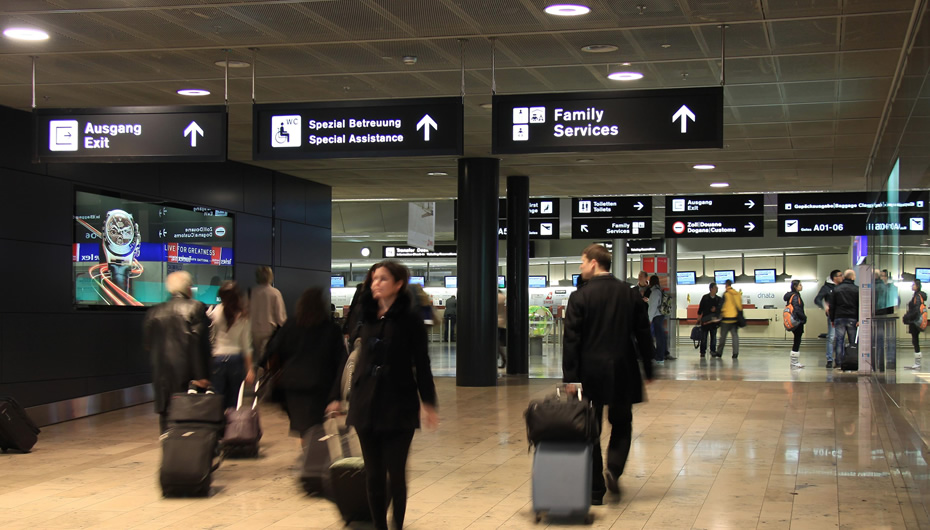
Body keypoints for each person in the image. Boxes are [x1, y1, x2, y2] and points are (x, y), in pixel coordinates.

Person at [342, 261, 438, 530]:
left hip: (398, 405)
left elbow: (422, 363)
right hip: (365, 403)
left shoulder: (410, 321)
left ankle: (397, 523)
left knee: (395, 473)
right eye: (373, 279)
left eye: (382, 279)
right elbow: (352, 358)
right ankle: (379, 526)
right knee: (373, 474)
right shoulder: (364, 314)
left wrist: (428, 402)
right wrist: (337, 396)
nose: (375, 283)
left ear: (398, 284)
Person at [563, 244, 654, 505]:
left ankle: (595, 490)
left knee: (590, 430)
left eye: (582, 261)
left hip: (590, 373)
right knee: (622, 422)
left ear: (593, 263)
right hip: (624, 369)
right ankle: (613, 468)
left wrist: (571, 378)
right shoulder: (630, 294)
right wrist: (648, 367)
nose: (580, 266)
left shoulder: (580, 297)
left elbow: (571, 341)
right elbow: (643, 333)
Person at [259, 287, 346, 438]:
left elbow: (272, 350)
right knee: (315, 427)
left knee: (304, 429)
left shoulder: (291, 325)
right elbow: (341, 361)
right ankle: (312, 456)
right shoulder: (331, 329)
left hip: (293, 386)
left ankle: (309, 455)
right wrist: (336, 395)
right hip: (320, 386)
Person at [143, 271, 212, 434]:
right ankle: (188, 453)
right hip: (188, 375)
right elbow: (198, 344)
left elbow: (148, 344)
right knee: (190, 418)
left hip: (162, 376)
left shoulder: (153, 312)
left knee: (166, 417)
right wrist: (202, 375)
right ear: (188, 288)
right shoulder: (196, 307)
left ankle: (170, 452)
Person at [209, 281, 254, 411]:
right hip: (236, 360)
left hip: (217, 359)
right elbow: (246, 345)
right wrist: (250, 369)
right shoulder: (243, 316)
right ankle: (231, 427)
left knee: (217, 400)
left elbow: (211, 339)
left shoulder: (214, 312)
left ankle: (218, 427)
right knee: (234, 400)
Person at [250, 266, 287, 364]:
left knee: (255, 360)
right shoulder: (275, 293)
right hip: (269, 331)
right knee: (266, 360)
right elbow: (281, 318)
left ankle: (255, 376)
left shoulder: (251, 292)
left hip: (252, 332)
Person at [829, 269, 859, 368]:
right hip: (852, 318)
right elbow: (859, 305)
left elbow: (832, 306)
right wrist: (859, 319)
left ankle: (839, 362)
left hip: (839, 318)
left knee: (839, 341)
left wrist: (832, 319)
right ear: (852, 277)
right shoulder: (857, 289)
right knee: (853, 342)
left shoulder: (836, 289)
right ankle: (853, 361)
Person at [814, 270, 842, 368]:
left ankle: (839, 359)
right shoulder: (826, 288)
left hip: (842, 315)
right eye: (840, 275)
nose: (842, 277)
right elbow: (817, 299)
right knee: (831, 337)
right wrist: (824, 307)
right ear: (834, 277)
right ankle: (830, 359)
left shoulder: (841, 287)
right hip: (833, 316)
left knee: (839, 338)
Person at [718, 279, 743, 359]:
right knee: (735, 337)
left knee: (723, 337)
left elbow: (721, 306)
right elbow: (740, 307)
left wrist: (718, 314)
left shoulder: (726, 294)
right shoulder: (737, 294)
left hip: (726, 319)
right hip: (735, 319)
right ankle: (735, 353)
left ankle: (719, 352)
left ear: (726, 285)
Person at [784, 280, 807, 368]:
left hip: (794, 320)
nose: (801, 286)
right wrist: (804, 318)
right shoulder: (795, 296)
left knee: (796, 340)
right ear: (795, 287)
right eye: (800, 285)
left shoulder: (791, 296)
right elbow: (797, 309)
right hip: (797, 321)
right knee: (797, 340)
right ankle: (794, 362)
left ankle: (794, 361)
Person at [905, 279, 926, 368]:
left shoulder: (917, 296)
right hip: (916, 321)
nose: (912, 286)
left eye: (913, 285)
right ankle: (917, 362)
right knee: (915, 340)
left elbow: (916, 310)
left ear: (917, 286)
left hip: (915, 322)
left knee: (915, 341)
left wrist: (907, 317)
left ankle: (917, 363)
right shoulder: (918, 295)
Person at [696, 282, 721, 358]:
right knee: (704, 337)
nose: (717, 289)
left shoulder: (718, 299)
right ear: (711, 289)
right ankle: (702, 351)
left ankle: (712, 351)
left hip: (714, 322)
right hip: (705, 321)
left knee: (713, 337)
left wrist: (716, 309)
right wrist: (699, 317)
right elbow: (701, 309)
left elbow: (721, 309)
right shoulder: (705, 298)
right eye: (715, 288)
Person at [646, 275, 667, 364]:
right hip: (660, 316)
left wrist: (649, 319)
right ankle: (660, 356)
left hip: (656, 317)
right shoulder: (659, 291)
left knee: (658, 338)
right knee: (660, 337)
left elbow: (653, 307)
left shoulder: (654, 292)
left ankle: (659, 356)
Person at [498, 290, 507, 368]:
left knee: (497, 343)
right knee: (501, 343)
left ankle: (504, 359)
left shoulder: (496, 298)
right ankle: (504, 359)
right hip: (503, 324)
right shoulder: (504, 301)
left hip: (497, 324)